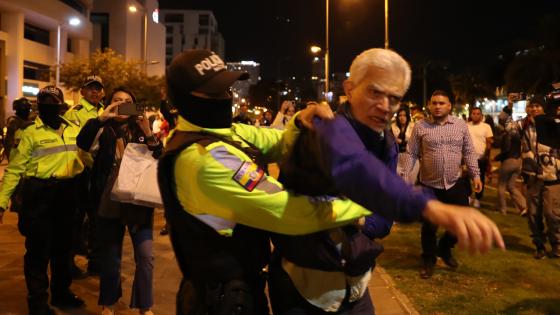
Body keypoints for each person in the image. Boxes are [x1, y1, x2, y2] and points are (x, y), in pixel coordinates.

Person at [269, 48, 504, 314]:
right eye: (375, 92)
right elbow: (357, 167)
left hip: (355, 286)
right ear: (350, 87)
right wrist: (429, 207)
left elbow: (382, 222)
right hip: (305, 290)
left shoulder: (385, 141)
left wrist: (357, 218)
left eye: (394, 98)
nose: (385, 106)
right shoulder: (323, 127)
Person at [158, 49, 373, 314]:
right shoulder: (202, 159)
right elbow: (288, 210)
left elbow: (278, 141)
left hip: (239, 290)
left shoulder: (225, 133)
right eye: (214, 93)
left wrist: (302, 121)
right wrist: (363, 203)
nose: (225, 97)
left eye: (227, 88)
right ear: (186, 100)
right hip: (219, 300)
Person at [0, 86, 86, 315]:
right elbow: (14, 170)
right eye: (44, 103)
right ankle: (37, 302)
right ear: (39, 106)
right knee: (38, 253)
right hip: (39, 197)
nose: (49, 107)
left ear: (60, 106)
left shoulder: (73, 130)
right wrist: (1, 202)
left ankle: (61, 293)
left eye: (53, 103)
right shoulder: (29, 133)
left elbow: (87, 157)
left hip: (67, 195)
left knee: (63, 250)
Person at [76, 87, 160, 315]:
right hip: (108, 199)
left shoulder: (141, 128)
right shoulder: (102, 128)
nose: (122, 105)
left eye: (127, 102)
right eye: (117, 101)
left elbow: (158, 155)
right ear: (109, 104)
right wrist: (101, 118)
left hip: (138, 200)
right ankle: (108, 303)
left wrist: (148, 133)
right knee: (110, 258)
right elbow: (82, 143)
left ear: (134, 105)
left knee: (145, 256)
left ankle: (145, 305)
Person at [400, 90, 483, 279]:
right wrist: (404, 176)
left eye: (442, 103)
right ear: (429, 105)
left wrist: (476, 175)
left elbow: (469, 151)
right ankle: (428, 259)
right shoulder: (421, 126)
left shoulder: (460, 125)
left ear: (449, 106)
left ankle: (445, 247)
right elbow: (411, 153)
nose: (437, 106)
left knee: (461, 222)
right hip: (429, 185)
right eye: (434, 103)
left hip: (455, 183)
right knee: (429, 226)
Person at [64, 75, 106, 278]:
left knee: (99, 218)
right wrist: (95, 164)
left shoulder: (106, 110)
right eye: (90, 88)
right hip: (82, 172)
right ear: (82, 92)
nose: (95, 92)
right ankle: (69, 263)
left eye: (98, 88)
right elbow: (77, 146)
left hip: (101, 173)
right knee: (77, 219)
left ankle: (96, 261)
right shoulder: (75, 113)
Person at [516, 96, 560, 259]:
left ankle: (556, 244)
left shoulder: (552, 123)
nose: (534, 109)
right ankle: (539, 245)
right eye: (531, 106)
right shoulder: (523, 125)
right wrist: (509, 107)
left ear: (543, 108)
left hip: (553, 176)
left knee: (553, 214)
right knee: (533, 215)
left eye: (537, 106)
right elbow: (506, 125)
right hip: (532, 176)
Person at [494, 118, 527, 215]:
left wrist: (496, 158)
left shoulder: (508, 135)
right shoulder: (519, 135)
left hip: (509, 161)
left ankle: (502, 209)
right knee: (511, 186)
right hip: (518, 161)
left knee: (501, 186)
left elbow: (506, 150)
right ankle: (524, 206)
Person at [467, 107, 493, 208]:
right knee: (465, 178)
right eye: (473, 113)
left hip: (481, 157)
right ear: (471, 114)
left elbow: (489, 143)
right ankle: (468, 196)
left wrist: (486, 156)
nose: (475, 115)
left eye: (478, 113)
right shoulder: (466, 126)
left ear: (481, 115)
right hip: (468, 157)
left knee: (479, 179)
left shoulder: (486, 127)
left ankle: (478, 198)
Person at [391, 106, 417, 183]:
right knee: (398, 181)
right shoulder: (393, 127)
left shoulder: (413, 126)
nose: (402, 118)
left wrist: (399, 141)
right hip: (397, 156)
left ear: (407, 116)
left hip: (410, 157)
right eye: (400, 115)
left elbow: (415, 142)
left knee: (409, 181)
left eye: (404, 115)